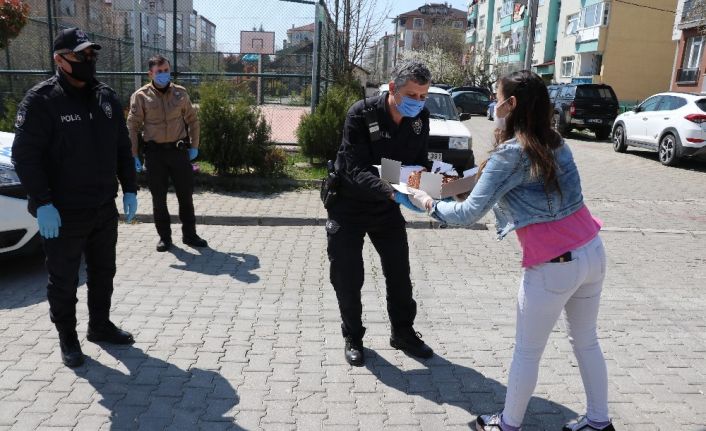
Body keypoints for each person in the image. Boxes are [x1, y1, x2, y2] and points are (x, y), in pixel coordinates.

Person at [409, 70, 614, 431]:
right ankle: (599, 421)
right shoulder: (553, 141)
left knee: (527, 351)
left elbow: (471, 211)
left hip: (555, 266)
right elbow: (480, 182)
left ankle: (506, 425)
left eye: (497, 96)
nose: (493, 104)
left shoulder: (512, 153)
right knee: (586, 341)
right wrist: (437, 183)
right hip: (592, 253)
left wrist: (428, 203)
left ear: (512, 104)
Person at [12, 27, 138, 368]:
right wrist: (42, 202)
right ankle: (68, 337)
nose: (88, 59)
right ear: (59, 59)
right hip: (63, 213)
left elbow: (122, 148)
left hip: (102, 207)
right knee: (64, 279)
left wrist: (129, 188)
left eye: (91, 54)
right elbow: (25, 156)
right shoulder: (42, 101)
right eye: (81, 54)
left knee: (103, 272)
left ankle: (99, 325)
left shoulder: (106, 97)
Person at [326, 60, 435, 367]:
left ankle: (402, 333)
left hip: (386, 207)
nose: (418, 102)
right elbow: (354, 168)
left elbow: (416, 163)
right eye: (412, 95)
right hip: (348, 204)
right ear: (392, 89)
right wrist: (394, 190)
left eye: (423, 96)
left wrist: (435, 186)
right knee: (347, 276)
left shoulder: (419, 119)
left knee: (399, 273)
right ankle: (353, 337)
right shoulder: (361, 114)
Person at [127, 54, 206, 252]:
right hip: (155, 155)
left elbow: (193, 121)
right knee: (158, 199)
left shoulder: (180, 93)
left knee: (185, 196)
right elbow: (132, 126)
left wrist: (194, 146)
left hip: (179, 153)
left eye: (166, 71)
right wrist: (134, 154)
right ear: (150, 73)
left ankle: (190, 235)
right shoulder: (141, 96)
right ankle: (164, 238)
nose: (163, 74)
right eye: (159, 71)